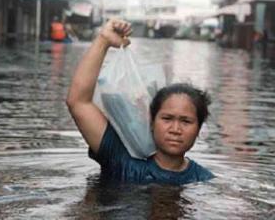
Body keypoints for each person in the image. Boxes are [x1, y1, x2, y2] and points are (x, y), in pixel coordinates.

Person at [66, 19, 214, 185]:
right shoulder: (121, 158)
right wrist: (103, 40)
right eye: (167, 119)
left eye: (186, 121)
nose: (175, 129)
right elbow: (78, 102)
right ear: (151, 122)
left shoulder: (202, 180)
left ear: (199, 128)